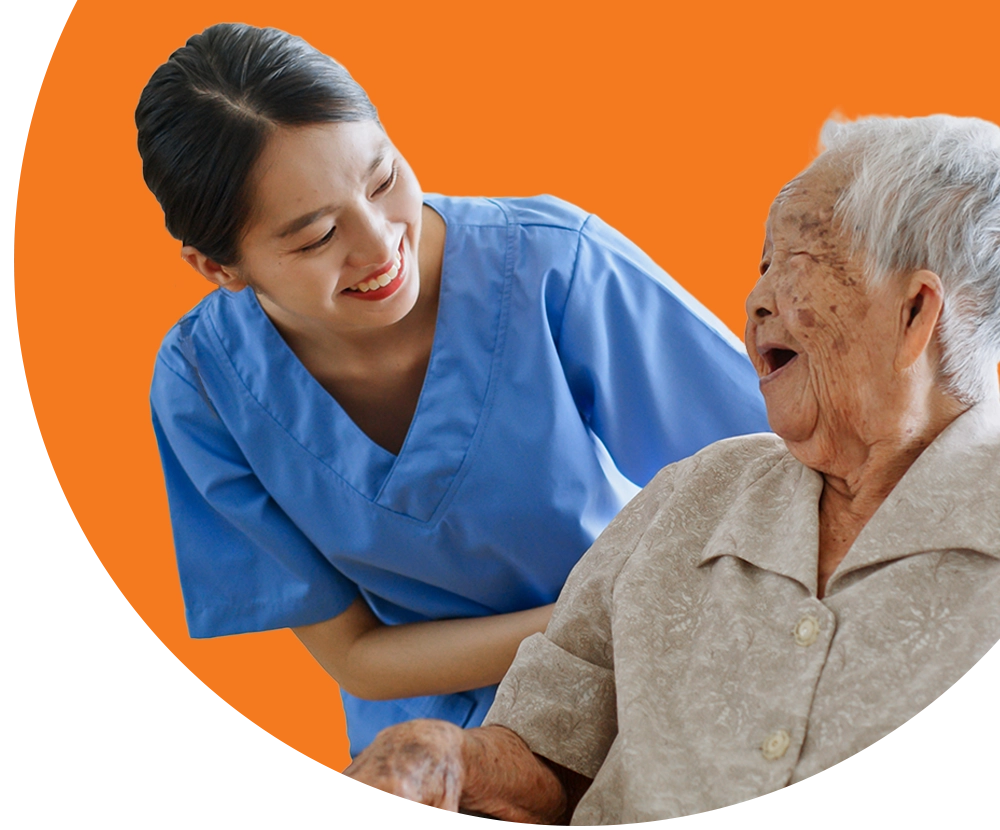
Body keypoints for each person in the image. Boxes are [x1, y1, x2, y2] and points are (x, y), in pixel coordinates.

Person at [343, 113, 1000, 823]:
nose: (755, 302)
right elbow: (547, 757)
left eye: (798, 263)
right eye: (761, 266)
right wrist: (448, 756)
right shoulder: (695, 495)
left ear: (915, 312)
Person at [136, 23, 769, 756]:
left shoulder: (551, 263)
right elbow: (358, 660)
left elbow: (779, 463)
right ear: (218, 268)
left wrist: (646, 618)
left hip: (655, 671)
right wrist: (602, 615)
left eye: (382, 179)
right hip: (435, 744)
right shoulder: (204, 388)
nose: (380, 246)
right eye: (315, 238)